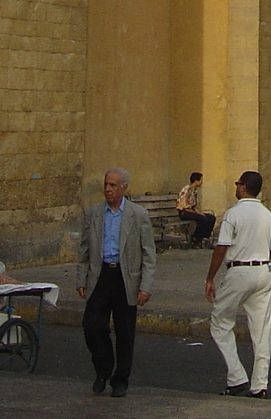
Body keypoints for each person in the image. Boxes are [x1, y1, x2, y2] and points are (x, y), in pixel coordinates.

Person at [77, 167, 156, 397]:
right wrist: (81, 278)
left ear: (124, 188)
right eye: (106, 185)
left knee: (124, 332)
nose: (108, 189)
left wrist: (145, 286)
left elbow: (148, 254)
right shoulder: (93, 214)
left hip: (125, 277)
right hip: (100, 275)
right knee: (92, 325)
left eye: (113, 185)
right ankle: (103, 368)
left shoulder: (137, 215)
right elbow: (84, 249)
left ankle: (120, 379)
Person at [206, 170, 271, 399]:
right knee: (261, 329)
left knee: (220, 321)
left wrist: (210, 277)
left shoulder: (233, 213)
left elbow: (221, 247)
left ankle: (237, 376)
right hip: (263, 271)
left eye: (238, 184)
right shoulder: (267, 214)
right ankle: (260, 385)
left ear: (243, 187)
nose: (235, 187)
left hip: (239, 270)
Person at [176, 172, 217, 246]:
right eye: (201, 180)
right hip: (184, 212)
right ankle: (195, 237)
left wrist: (199, 212)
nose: (202, 182)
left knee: (211, 218)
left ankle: (203, 237)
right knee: (202, 219)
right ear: (196, 181)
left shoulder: (194, 190)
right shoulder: (186, 190)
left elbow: (193, 206)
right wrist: (197, 213)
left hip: (191, 211)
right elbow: (184, 207)